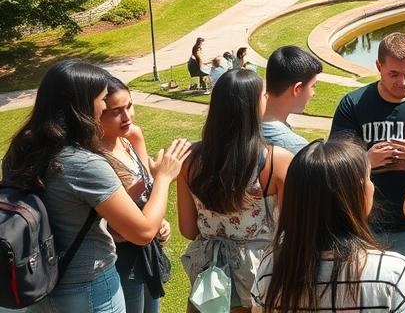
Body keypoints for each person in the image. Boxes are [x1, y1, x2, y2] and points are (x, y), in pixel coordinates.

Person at [2, 61, 190, 313]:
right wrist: (164, 177)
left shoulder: (22, 149)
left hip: (39, 281)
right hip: (88, 287)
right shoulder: (84, 163)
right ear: (79, 105)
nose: (103, 106)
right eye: (102, 100)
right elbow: (143, 232)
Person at [252, 137, 405, 313]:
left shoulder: (272, 267)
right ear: (357, 195)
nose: (373, 186)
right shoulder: (394, 273)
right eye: (368, 178)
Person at [332, 33, 405, 276]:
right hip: (363, 227)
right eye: (393, 74)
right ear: (379, 66)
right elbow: (333, 166)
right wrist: (366, 161)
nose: (402, 82)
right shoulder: (353, 104)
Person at [179, 69, 293, 311]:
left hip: (208, 278)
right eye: (263, 95)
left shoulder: (189, 160)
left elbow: (188, 230)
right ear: (251, 107)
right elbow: (291, 230)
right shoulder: (277, 161)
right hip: (257, 276)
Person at [95, 77, 175, 313]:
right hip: (120, 257)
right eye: (115, 111)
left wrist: (160, 221)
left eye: (129, 106)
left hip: (147, 247)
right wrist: (164, 177)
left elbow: (149, 191)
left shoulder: (132, 136)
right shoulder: (92, 155)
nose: (127, 117)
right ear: (96, 111)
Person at [262, 45, 325, 153]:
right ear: (297, 89)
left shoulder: (243, 127)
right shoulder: (297, 148)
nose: (313, 93)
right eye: (312, 87)